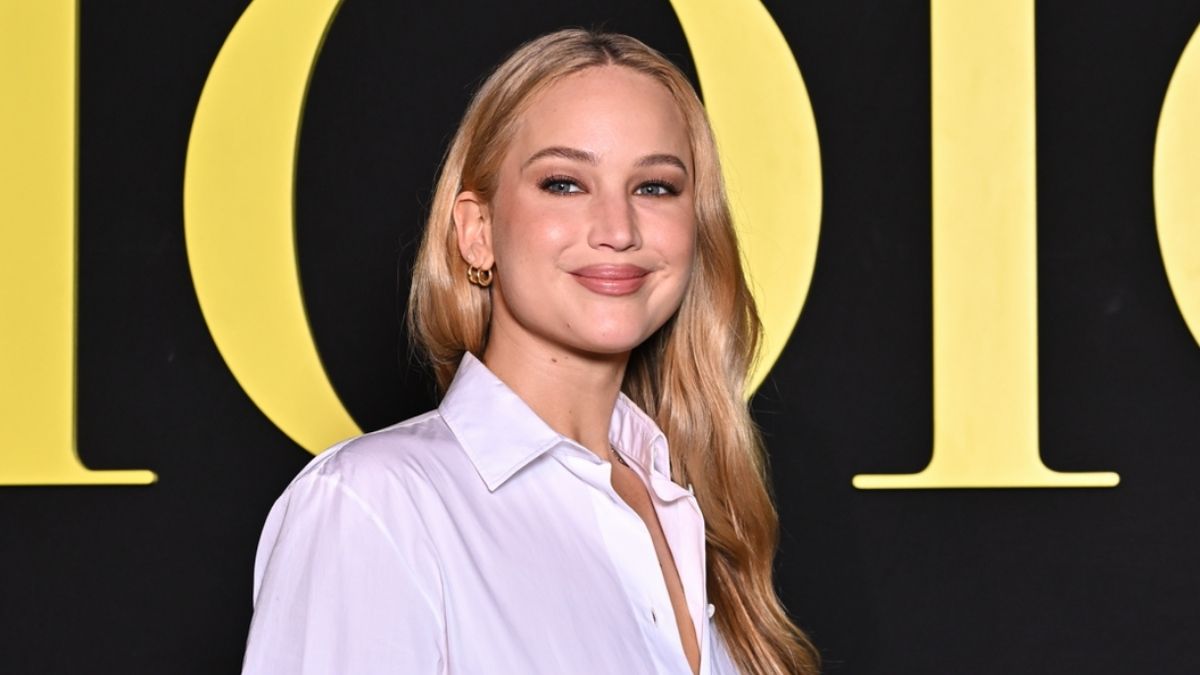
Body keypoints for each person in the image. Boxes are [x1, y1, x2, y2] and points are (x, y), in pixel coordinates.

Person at [241, 29, 819, 675]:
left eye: (654, 187)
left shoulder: (694, 515)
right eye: (565, 183)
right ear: (477, 231)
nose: (618, 230)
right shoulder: (373, 506)